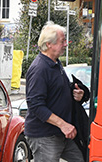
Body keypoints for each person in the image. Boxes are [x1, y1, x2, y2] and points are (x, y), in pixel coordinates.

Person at [25, 22, 88, 162]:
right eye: (62, 41)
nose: (66, 44)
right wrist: (63, 125)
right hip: (44, 136)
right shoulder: (40, 69)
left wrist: (77, 94)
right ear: (49, 44)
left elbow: (57, 92)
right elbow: (35, 105)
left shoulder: (55, 63)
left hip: (61, 134)